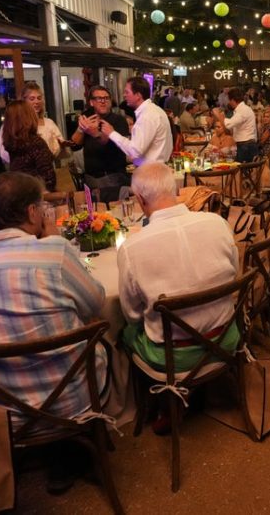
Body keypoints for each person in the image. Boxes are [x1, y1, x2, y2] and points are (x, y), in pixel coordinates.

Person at [0, 171, 110, 489]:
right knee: (104, 339)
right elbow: (96, 302)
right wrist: (53, 239)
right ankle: (70, 451)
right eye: (41, 206)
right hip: (72, 400)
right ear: (32, 212)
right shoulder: (55, 253)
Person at [118, 162, 240, 375]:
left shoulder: (131, 248)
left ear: (140, 199)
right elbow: (234, 275)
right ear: (175, 190)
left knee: (122, 332)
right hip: (226, 339)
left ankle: (147, 401)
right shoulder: (217, 223)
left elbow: (132, 315)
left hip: (172, 357)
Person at [72, 86, 131, 204]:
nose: (103, 101)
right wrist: (81, 129)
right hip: (90, 178)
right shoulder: (86, 119)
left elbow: (111, 145)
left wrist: (94, 133)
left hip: (113, 177)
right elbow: (75, 145)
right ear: (91, 102)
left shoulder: (118, 120)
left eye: (106, 98)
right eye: (99, 98)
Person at [100, 76, 173, 166]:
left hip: (151, 172)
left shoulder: (147, 115)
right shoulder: (155, 110)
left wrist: (111, 133)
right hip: (159, 168)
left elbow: (135, 151)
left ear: (138, 95)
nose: (124, 95)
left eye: (127, 92)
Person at [0, 81, 63, 165]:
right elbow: (4, 153)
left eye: (39, 98)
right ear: (23, 101)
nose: (36, 102)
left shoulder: (49, 123)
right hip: (22, 173)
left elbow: (58, 146)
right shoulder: (13, 124)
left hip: (46, 169)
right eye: (32, 99)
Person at [2, 100, 57, 192]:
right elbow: (49, 179)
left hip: (20, 193)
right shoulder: (35, 143)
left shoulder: (12, 143)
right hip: (36, 196)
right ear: (29, 117)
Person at [212, 86, 258, 162]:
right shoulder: (242, 109)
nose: (229, 103)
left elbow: (228, 125)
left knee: (242, 170)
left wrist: (218, 114)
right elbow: (230, 128)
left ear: (233, 100)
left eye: (229, 100)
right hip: (245, 145)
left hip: (246, 146)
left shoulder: (243, 110)